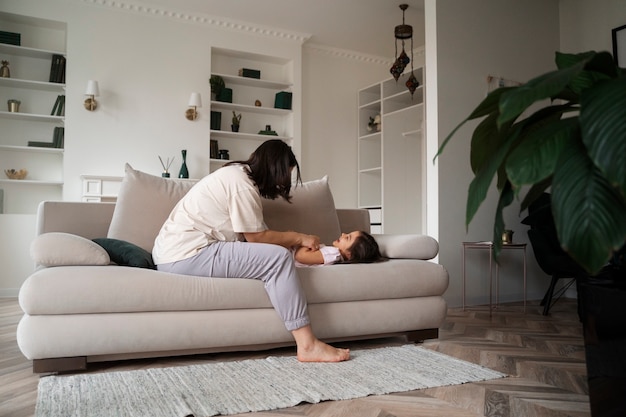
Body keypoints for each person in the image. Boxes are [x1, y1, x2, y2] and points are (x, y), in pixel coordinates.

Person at [152, 139, 350, 362]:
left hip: (177, 253)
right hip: (188, 253)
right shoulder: (241, 183)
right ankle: (307, 345)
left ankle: (307, 344)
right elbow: (256, 238)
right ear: (275, 168)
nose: (282, 183)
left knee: (276, 256)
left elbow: (258, 237)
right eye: (284, 175)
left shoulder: (237, 176)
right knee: (277, 259)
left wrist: (296, 243)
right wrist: (299, 237)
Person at [293, 231, 384, 266]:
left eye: (347, 237)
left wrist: (305, 240)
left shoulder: (334, 253)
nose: (343, 234)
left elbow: (300, 256)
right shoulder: (334, 255)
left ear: (349, 254)